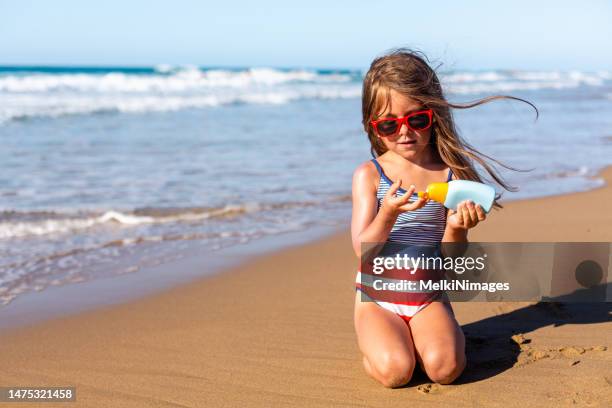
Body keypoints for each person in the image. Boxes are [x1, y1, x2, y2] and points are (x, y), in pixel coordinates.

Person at [351, 48, 536, 388]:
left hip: (428, 295)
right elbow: (362, 250)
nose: (405, 132)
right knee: (396, 372)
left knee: (445, 370)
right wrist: (388, 213)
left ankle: (425, 340)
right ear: (374, 128)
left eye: (416, 119)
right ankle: (382, 349)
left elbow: (453, 259)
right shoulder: (371, 176)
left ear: (433, 115)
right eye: (390, 124)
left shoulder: (450, 175)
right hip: (377, 299)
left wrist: (456, 228)